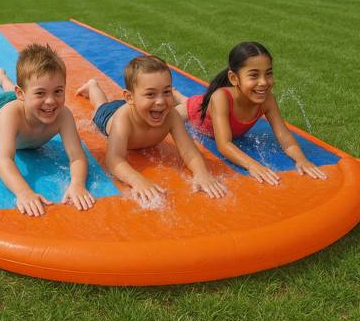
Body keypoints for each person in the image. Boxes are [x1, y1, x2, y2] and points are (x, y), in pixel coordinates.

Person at [76, 55, 226, 205]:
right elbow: (113, 159)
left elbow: (189, 151)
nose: (160, 101)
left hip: (141, 105)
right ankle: (92, 86)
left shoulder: (171, 116)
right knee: (100, 106)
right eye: (150, 94)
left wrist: (201, 173)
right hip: (110, 114)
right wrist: (137, 180)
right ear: (129, 97)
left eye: (166, 92)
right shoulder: (122, 120)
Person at [0, 43, 95, 216]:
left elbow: (77, 157)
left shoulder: (63, 115)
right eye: (41, 93)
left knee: (26, 95)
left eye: (58, 91)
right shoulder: (10, 117)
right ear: (21, 94)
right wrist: (23, 192)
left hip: (26, 102)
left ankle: (3, 78)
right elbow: (4, 159)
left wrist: (77, 184)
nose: (50, 101)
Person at [174, 42, 328, 185]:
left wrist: (302, 160)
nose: (264, 82)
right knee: (172, 116)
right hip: (193, 111)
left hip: (207, 106)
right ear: (234, 78)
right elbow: (224, 144)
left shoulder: (267, 99)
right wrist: (253, 165)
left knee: (191, 100)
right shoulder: (221, 98)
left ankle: (179, 96)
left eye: (268, 73)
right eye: (254, 75)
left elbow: (284, 136)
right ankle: (176, 95)